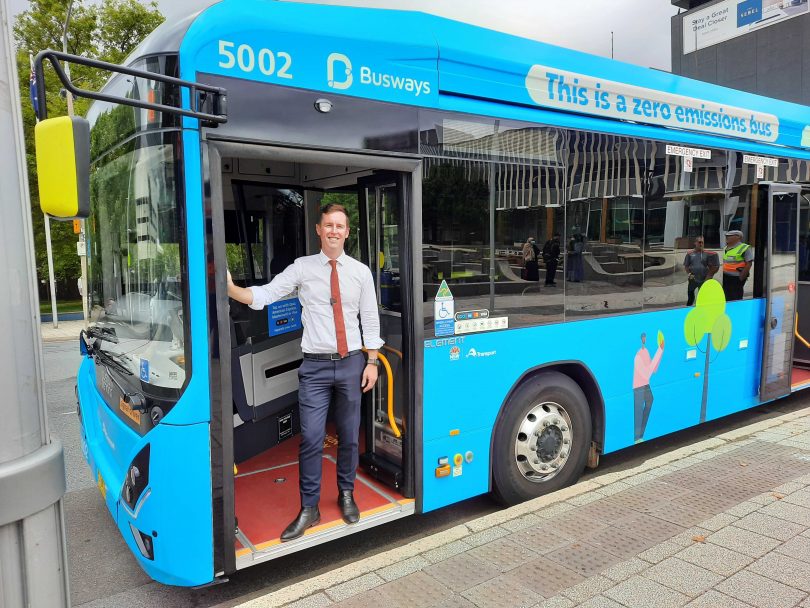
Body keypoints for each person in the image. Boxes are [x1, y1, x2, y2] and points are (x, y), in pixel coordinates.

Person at [226, 203, 383, 541]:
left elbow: (369, 319)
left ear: (347, 231)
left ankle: (346, 493)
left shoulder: (360, 272)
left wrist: (371, 362)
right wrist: (233, 289)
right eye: (329, 225)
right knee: (311, 438)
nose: (334, 231)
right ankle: (309, 508)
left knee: (350, 436)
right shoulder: (302, 268)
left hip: (352, 362)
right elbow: (268, 293)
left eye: (340, 226)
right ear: (318, 229)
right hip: (314, 366)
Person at [633, 332, 664, 443]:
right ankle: (637, 437)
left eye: (645, 336)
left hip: (645, 384)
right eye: (643, 337)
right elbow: (647, 373)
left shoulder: (645, 352)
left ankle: (640, 435)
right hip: (638, 386)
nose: (644, 339)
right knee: (638, 411)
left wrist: (660, 351)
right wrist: (659, 351)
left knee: (650, 400)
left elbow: (653, 369)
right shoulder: (637, 357)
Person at [683, 236, 719, 306]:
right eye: (699, 242)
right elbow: (686, 265)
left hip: (704, 278)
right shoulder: (689, 254)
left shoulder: (707, 254)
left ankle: (701, 307)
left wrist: (709, 276)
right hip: (693, 278)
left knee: (703, 295)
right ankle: (689, 306)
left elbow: (713, 266)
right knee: (690, 293)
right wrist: (689, 274)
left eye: (702, 242)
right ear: (695, 243)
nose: (701, 244)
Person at [722, 230, 753, 302]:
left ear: (738, 237)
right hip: (725, 277)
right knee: (726, 297)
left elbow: (749, 263)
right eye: (726, 236)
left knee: (735, 297)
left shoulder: (745, 248)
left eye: (729, 236)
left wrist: (741, 277)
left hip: (736, 278)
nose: (727, 237)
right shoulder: (725, 248)